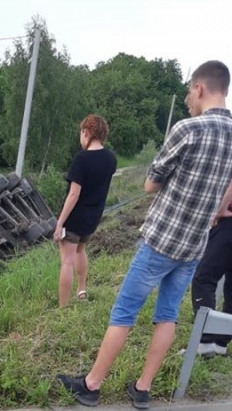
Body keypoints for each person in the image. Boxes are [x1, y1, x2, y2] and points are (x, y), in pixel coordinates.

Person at [57, 60, 232, 409]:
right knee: (167, 314)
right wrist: (215, 209)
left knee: (124, 312)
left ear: (199, 87)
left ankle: (91, 386)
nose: (187, 100)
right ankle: (143, 388)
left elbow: (151, 182)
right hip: (194, 244)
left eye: (189, 92)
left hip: (161, 239)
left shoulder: (188, 129)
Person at [54, 114, 117, 306]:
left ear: (86, 132)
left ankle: (64, 306)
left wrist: (60, 223)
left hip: (76, 218)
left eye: (81, 133)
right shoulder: (111, 158)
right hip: (93, 218)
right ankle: (81, 290)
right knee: (81, 251)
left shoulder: (81, 159)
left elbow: (73, 195)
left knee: (66, 261)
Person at [190, 199, 232, 357]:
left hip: (229, 220)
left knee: (205, 277)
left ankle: (206, 342)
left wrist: (220, 209)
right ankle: (221, 343)